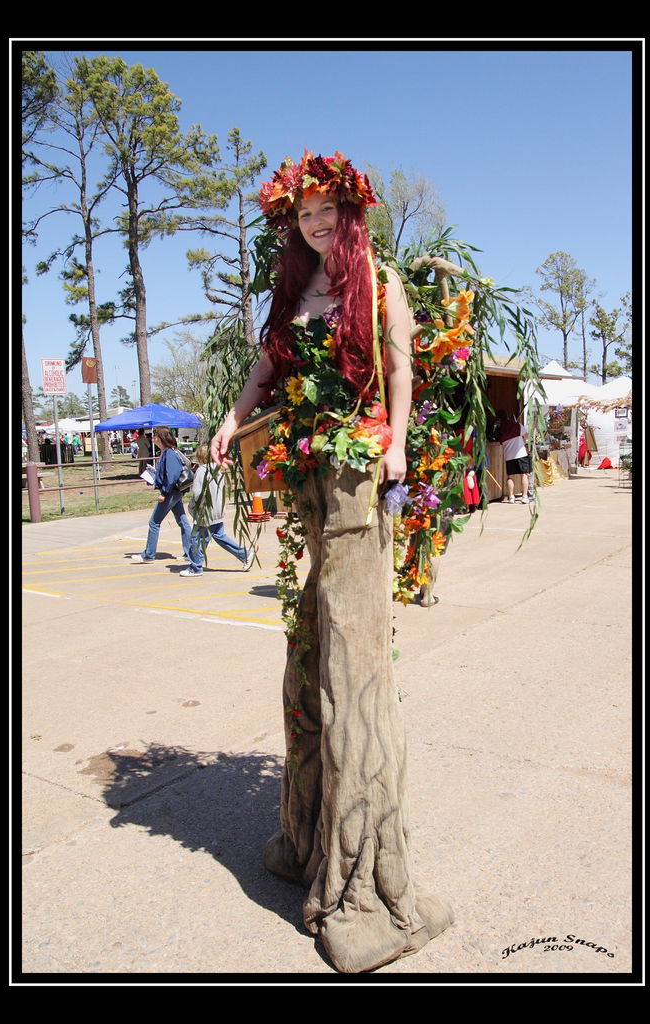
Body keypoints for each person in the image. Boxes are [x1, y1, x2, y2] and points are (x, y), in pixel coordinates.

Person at [211, 150, 454, 974]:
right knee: (309, 649)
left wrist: (396, 446)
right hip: (307, 483)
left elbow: (400, 364)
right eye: (303, 214)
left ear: (349, 213)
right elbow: (269, 364)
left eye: (326, 211)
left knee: (351, 663)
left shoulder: (378, 281)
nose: (315, 223)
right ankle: (307, 837)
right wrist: (235, 416)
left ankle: (363, 881)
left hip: (358, 481)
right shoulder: (294, 289)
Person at [130, 425, 203, 573]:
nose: (153, 438)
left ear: (161, 437)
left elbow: (172, 475)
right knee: (182, 521)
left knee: (154, 522)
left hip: (170, 493)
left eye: (155, 435)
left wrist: (164, 493)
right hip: (174, 492)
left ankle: (149, 555)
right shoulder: (166, 452)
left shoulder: (169, 453)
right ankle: (189, 551)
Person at [186, 444, 255, 572]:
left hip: (206, 511)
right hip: (217, 510)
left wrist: (192, 506)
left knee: (196, 537)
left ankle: (195, 567)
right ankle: (244, 554)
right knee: (218, 536)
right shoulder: (218, 470)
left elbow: (198, 493)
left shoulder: (202, 471)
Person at [496, 409, 531, 504]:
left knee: (510, 477)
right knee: (524, 475)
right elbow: (527, 436)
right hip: (521, 454)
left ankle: (511, 497)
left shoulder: (499, 429)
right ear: (507, 416)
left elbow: (498, 440)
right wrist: (522, 438)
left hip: (509, 456)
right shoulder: (517, 425)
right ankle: (524, 496)